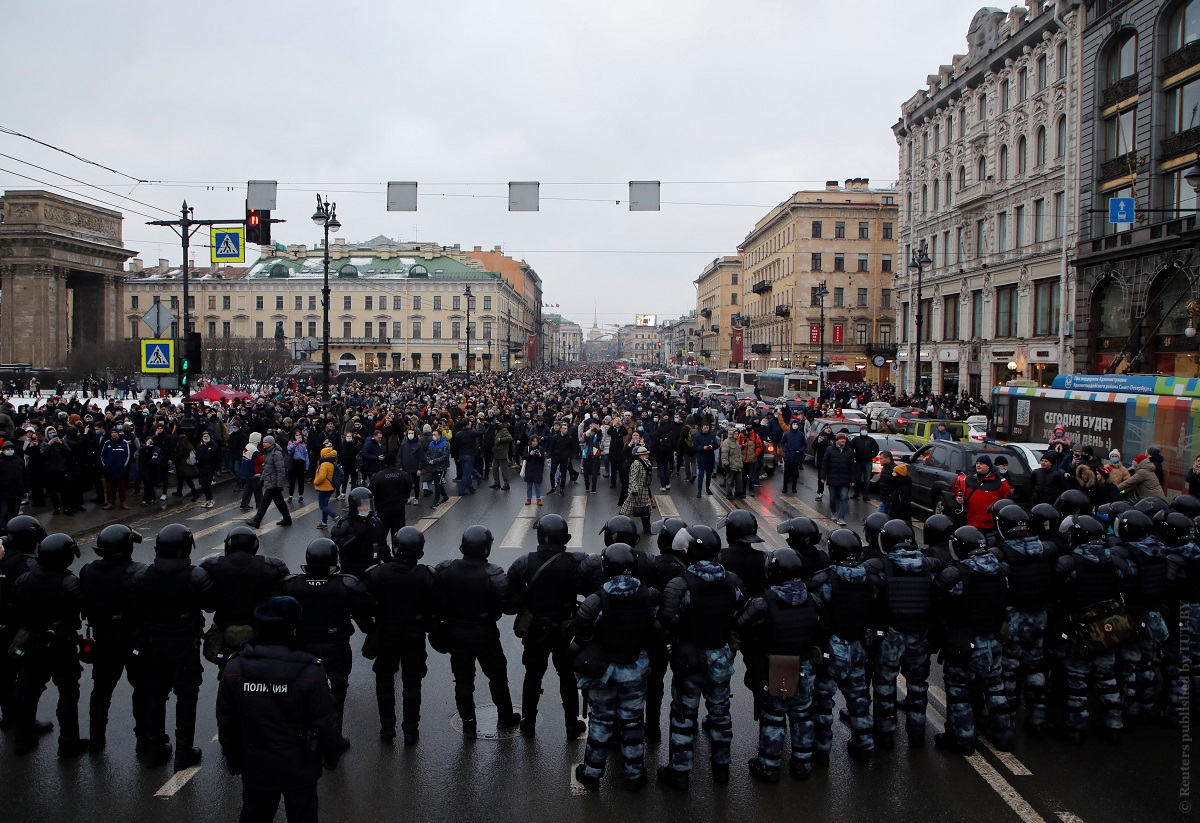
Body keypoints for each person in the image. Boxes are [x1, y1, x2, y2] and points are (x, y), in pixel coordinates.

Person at [216, 596, 344, 823]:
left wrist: (233, 757)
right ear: (293, 629)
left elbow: (227, 720)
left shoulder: (235, 668)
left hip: (256, 764)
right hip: (300, 765)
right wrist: (331, 755)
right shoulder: (310, 669)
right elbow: (325, 721)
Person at [657, 525, 745, 791]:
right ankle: (721, 769)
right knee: (720, 715)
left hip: (690, 660)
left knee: (683, 717)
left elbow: (665, 621)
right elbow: (743, 612)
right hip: (720, 658)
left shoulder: (681, 584)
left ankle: (680, 774)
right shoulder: (732, 581)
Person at [570, 543, 659, 793]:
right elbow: (657, 627)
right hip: (635, 670)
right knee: (632, 723)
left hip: (603, 673)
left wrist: (574, 664)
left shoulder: (595, 601)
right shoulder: (648, 595)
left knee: (600, 722)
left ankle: (591, 773)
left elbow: (580, 640)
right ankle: (633, 774)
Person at [132, 523, 213, 770]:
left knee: (155, 695)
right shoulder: (196, 575)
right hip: (185, 644)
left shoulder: (143, 574)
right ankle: (184, 751)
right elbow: (209, 605)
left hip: (153, 644)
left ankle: (155, 748)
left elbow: (136, 607)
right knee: (187, 696)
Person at [736, 548, 822, 783]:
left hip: (781, 665)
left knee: (775, 717)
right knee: (802, 715)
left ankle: (770, 766)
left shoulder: (766, 601)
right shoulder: (813, 597)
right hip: (805, 664)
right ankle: (803, 765)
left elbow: (741, 623)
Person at [276, 538, 375, 736]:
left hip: (302, 648)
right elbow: (367, 608)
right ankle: (334, 736)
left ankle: (302, 732)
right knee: (337, 691)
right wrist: (372, 633)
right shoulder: (345, 584)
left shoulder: (291, 585)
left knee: (300, 690)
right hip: (336, 647)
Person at [433, 526, 521, 739]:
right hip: (485, 634)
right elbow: (509, 606)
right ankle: (505, 717)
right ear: (486, 548)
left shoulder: (446, 569)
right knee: (497, 676)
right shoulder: (493, 573)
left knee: (463, 681)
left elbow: (432, 593)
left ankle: (469, 725)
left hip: (456, 634)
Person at [933, 525, 1013, 755]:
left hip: (963, 643)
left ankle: (962, 739)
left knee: (959, 693)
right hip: (993, 641)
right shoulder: (1000, 572)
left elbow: (939, 603)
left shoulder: (955, 576)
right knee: (996, 689)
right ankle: (1004, 736)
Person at [862, 519, 940, 750]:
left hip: (891, 636)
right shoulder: (930, 566)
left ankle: (885, 733)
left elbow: (871, 602)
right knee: (918, 685)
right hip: (920, 634)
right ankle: (917, 733)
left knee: (885, 684)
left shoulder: (879, 567)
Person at [507, 514, 586, 739]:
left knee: (532, 675)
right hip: (564, 629)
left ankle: (528, 723)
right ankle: (572, 725)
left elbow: (507, 594)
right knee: (567, 677)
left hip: (535, 631)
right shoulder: (575, 562)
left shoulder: (524, 562)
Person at [10, 533, 88, 758]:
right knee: (68, 692)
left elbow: (15, 604)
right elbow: (84, 606)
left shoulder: (25, 578)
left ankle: (22, 739)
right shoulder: (69, 582)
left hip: (33, 641)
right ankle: (68, 743)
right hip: (61, 644)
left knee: (28, 690)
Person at [1054, 514, 1129, 743]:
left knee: (1077, 679)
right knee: (1108, 679)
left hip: (1081, 627)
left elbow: (1059, 592)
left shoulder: (1070, 563)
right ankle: (1114, 724)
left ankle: (1075, 728)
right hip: (1108, 626)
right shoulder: (1114, 560)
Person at [79, 525, 150, 753]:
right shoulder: (138, 573)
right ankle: (144, 741)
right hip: (132, 640)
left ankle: (96, 740)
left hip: (103, 639)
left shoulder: (88, 571)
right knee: (141, 690)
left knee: (100, 691)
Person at [808, 529, 876, 764]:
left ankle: (821, 750)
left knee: (822, 704)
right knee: (859, 699)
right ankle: (864, 745)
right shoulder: (869, 579)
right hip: (857, 646)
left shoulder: (823, 581)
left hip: (832, 649)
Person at [364, 527, 436, 745]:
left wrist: (370, 627)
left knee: (384, 680)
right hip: (414, 637)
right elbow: (437, 606)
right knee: (412, 684)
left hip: (386, 635)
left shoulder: (378, 573)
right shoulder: (426, 575)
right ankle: (411, 731)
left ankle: (387, 728)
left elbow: (362, 602)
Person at [990, 504, 1056, 737]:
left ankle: (1005, 722)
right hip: (1039, 617)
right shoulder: (1045, 549)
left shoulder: (1003, 553)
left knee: (1008, 670)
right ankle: (1037, 717)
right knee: (1035, 667)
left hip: (1014, 618)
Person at [200, 526, 290, 671]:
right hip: (259, 631)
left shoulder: (213, 566)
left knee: (225, 670)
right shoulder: (271, 567)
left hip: (225, 630)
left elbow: (208, 605)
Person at [1109, 509, 1170, 723]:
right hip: (1155, 614)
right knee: (1147, 662)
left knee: (1129, 665)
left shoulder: (1127, 554)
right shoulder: (1161, 551)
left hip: (1133, 615)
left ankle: (1130, 709)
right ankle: (1147, 704)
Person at [0, 516, 43, 731]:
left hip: (2, 624)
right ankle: (26, 724)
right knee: (27, 678)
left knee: (5, 676)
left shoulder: (3, 558)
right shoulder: (28, 564)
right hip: (20, 629)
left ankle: (8, 717)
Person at [330, 487, 389, 581]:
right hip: (352, 571)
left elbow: (382, 545)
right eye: (361, 505)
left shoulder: (376, 522)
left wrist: (391, 564)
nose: (365, 508)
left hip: (373, 569)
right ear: (354, 505)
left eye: (368, 504)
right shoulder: (344, 525)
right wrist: (359, 535)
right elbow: (342, 548)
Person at [247, 436, 292, 528]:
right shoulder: (268, 453)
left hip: (273, 482)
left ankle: (257, 520)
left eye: (266, 442)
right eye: (263, 442)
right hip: (270, 480)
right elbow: (266, 468)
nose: (264, 444)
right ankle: (287, 518)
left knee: (264, 502)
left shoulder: (276, 454)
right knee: (279, 502)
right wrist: (262, 479)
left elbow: (280, 470)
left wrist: (279, 485)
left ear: (271, 443)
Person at [957, 455, 1010, 533]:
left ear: (988, 466)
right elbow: (960, 493)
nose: (978, 465)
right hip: (970, 522)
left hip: (991, 526)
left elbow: (1007, 501)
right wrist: (959, 499)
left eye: (981, 463)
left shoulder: (1000, 481)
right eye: (977, 463)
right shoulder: (968, 479)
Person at [368, 453, 413, 536]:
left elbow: (371, 493)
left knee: (381, 535)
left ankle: (383, 548)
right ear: (396, 462)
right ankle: (397, 548)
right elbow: (408, 487)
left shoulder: (377, 477)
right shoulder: (404, 475)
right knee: (398, 535)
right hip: (399, 508)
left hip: (383, 509)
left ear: (385, 463)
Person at [820, 431, 855, 526]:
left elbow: (852, 466)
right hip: (832, 478)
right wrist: (823, 476)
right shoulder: (830, 450)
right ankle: (833, 512)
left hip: (845, 478)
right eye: (841, 439)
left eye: (844, 439)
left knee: (844, 497)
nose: (843, 440)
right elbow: (825, 464)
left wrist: (852, 480)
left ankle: (841, 517)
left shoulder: (849, 451)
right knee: (832, 497)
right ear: (837, 440)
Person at [620, 445, 654, 536]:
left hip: (644, 489)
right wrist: (634, 490)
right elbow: (633, 478)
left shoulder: (647, 462)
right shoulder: (636, 463)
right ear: (641, 455)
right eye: (645, 454)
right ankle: (619, 525)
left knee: (646, 509)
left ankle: (647, 527)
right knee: (626, 510)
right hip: (636, 490)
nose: (647, 455)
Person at [99, 427, 131, 510]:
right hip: (109, 470)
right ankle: (110, 502)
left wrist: (123, 465)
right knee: (109, 487)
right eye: (112, 432)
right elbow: (103, 455)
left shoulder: (124, 443)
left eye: (115, 432)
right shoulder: (107, 443)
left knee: (121, 487)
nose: (113, 434)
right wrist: (105, 464)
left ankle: (122, 502)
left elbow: (127, 456)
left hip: (120, 470)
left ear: (118, 433)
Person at [849, 426, 878, 501]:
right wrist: (854, 456)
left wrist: (872, 455)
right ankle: (856, 493)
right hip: (858, 462)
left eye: (865, 430)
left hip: (868, 462)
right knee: (857, 479)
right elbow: (850, 448)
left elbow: (876, 449)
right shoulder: (856, 439)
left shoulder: (871, 440)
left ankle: (865, 495)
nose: (864, 431)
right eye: (862, 430)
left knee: (867, 479)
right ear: (860, 431)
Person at [313, 446, 338, 529]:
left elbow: (322, 477)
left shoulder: (324, 464)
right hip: (330, 487)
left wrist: (315, 481)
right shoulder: (332, 463)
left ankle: (335, 516)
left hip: (324, 488)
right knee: (325, 505)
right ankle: (324, 522)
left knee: (322, 506)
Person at [425, 428, 451, 508]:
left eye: (435, 435)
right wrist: (429, 459)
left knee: (437, 483)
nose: (433, 436)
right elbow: (428, 453)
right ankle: (445, 496)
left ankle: (436, 501)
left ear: (439, 435)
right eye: (433, 435)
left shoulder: (445, 444)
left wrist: (435, 461)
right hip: (433, 467)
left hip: (441, 467)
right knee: (438, 483)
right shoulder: (431, 443)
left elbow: (445, 456)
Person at [779, 420, 806, 495]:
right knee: (786, 472)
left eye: (796, 424)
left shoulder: (801, 435)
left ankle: (794, 487)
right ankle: (785, 487)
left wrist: (800, 450)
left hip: (796, 456)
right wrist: (785, 450)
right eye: (793, 424)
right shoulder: (787, 434)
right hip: (788, 456)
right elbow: (782, 443)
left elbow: (804, 444)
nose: (795, 425)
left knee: (795, 473)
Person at [692, 420, 718, 497]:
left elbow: (716, 445)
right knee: (701, 474)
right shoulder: (698, 436)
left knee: (709, 474)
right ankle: (699, 490)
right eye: (705, 427)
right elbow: (695, 447)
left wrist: (712, 446)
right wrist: (703, 448)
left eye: (707, 427)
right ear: (702, 428)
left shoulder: (712, 435)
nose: (706, 429)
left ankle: (707, 488)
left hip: (710, 458)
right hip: (701, 458)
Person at [195, 430, 220, 508]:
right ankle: (208, 499)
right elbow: (198, 456)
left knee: (207, 484)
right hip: (202, 468)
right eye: (204, 436)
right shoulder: (200, 446)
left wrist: (217, 468)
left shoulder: (214, 446)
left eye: (207, 436)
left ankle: (211, 499)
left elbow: (217, 457)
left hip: (210, 468)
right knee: (203, 484)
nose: (205, 438)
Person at [522, 434, 547, 506]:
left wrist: (539, 455)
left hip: (537, 469)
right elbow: (524, 457)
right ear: (531, 441)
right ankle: (528, 499)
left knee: (537, 485)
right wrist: (530, 454)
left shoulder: (540, 449)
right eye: (533, 441)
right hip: (529, 468)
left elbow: (543, 459)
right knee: (529, 485)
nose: (535, 443)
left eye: (536, 441)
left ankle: (538, 499)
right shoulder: (527, 448)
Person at [286, 432, 310, 505]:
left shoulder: (303, 444)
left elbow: (306, 455)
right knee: (292, 480)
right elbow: (290, 450)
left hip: (300, 462)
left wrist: (307, 465)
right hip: (293, 462)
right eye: (296, 435)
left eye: (299, 435)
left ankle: (301, 495)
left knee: (301, 480)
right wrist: (296, 443)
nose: (298, 436)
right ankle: (290, 495)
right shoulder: (291, 442)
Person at [491, 420, 513, 491]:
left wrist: (501, 439)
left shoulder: (504, 430)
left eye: (499, 422)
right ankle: (496, 482)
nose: (497, 424)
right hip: (496, 452)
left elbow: (509, 438)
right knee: (494, 468)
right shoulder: (496, 430)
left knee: (504, 469)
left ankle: (506, 484)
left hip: (502, 452)